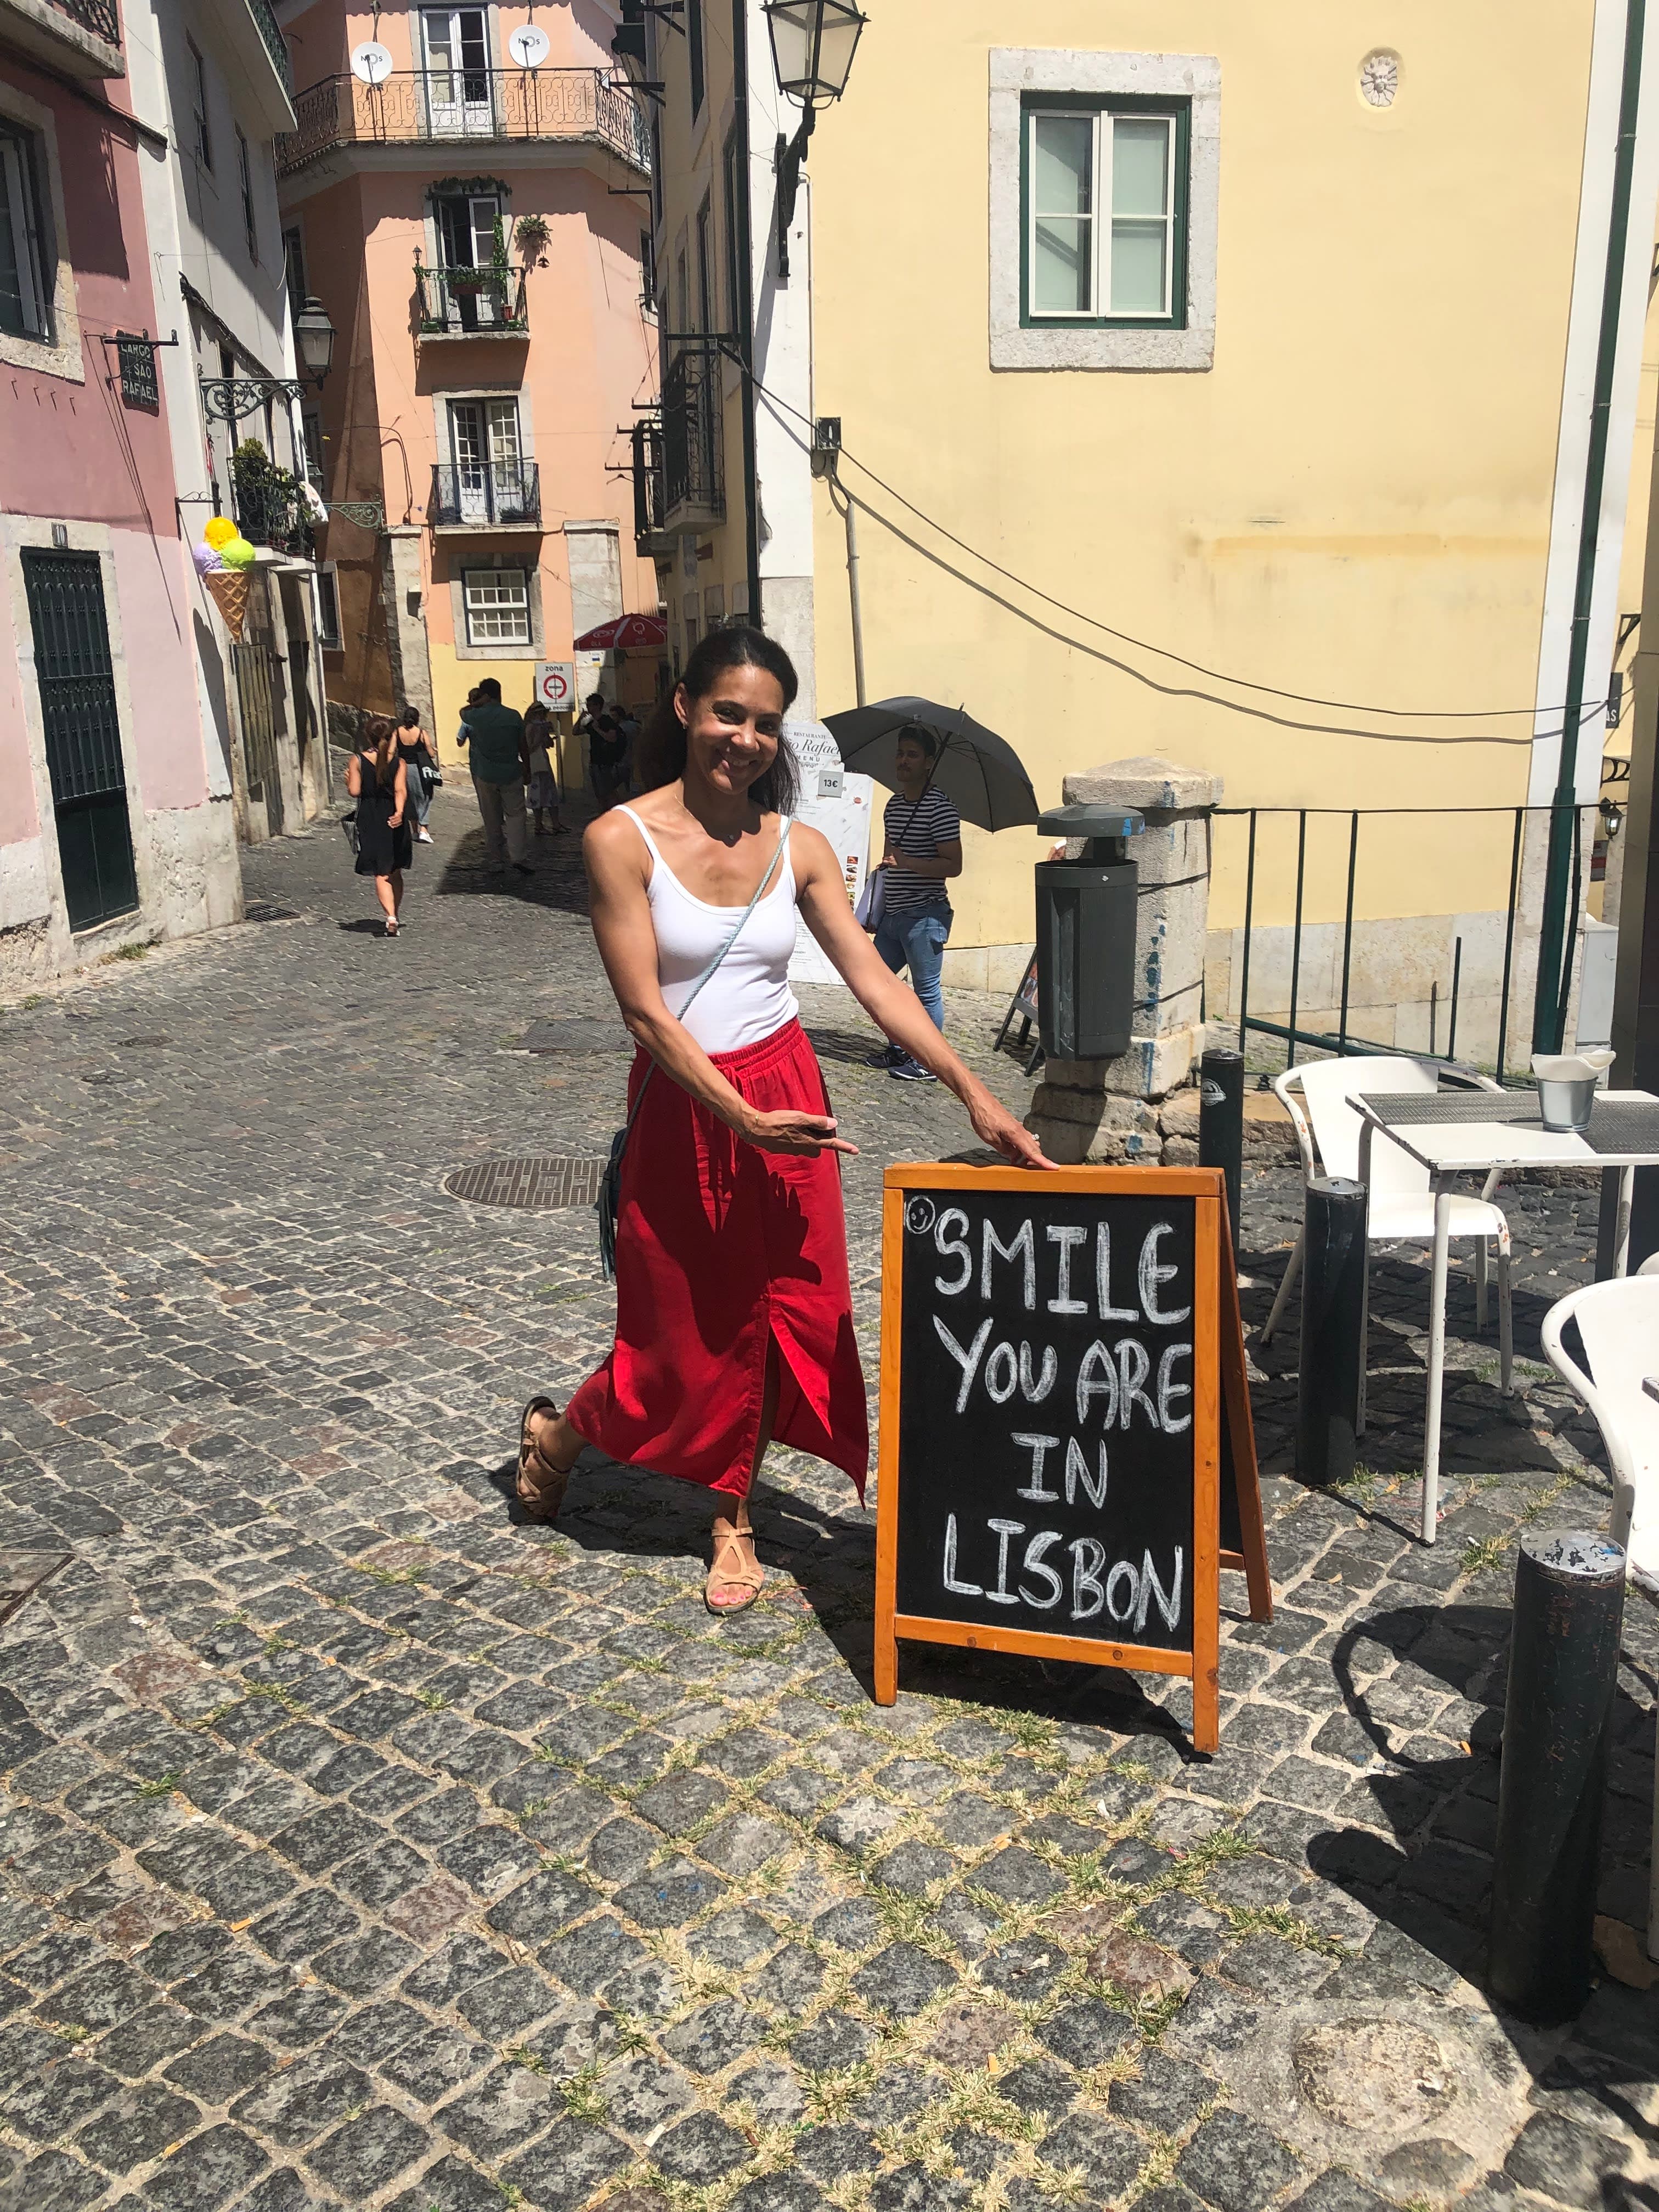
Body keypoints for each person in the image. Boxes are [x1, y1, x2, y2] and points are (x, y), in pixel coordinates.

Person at [512, 628, 1049, 1613]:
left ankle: (732, 1518)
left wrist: (974, 1095)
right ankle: (556, 1440)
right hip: (685, 1103)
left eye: (765, 724)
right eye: (729, 714)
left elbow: (876, 981)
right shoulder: (619, 840)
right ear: (685, 707)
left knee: (786, 1308)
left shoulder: (798, 848)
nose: (746, 739)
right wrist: (738, 1117)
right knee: (675, 1333)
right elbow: (644, 1014)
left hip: (787, 1089)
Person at [867, 724, 962, 1085]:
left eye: (912, 755)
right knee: (876, 982)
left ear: (929, 763)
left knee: (926, 991)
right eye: (900, 753)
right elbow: (890, 856)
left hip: (925, 915)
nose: (903, 761)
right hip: (893, 915)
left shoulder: (940, 808)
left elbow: (953, 865)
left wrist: (907, 862)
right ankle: (900, 1047)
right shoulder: (894, 805)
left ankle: (929, 1062)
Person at [345, 713, 413, 936]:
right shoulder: (399, 763)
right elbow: (400, 790)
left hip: (370, 818)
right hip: (393, 816)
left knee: (380, 872)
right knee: (395, 870)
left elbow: (355, 791)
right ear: (392, 737)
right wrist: (400, 813)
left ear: (368, 737)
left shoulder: (358, 760)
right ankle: (395, 915)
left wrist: (348, 780)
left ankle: (390, 917)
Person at [458, 677, 533, 876]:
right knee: (516, 816)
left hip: (485, 774)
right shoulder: (513, 716)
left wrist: (477, 703)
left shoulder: (476, 716)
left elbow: (462, 712)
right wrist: (528, 769)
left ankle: (497, 859)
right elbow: (523, 746)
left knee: (491, 818)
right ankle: (518, 856)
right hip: (512, 772)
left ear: (485, 695)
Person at [579, 690, 628, 810]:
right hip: (595, 762)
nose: (588, 707)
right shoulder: (591, 723)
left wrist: (598, 730)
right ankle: (603, 813)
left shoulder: (607, 721)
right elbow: (576, 732)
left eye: (590, 705)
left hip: (605, 763)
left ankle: (616, 813)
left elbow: (612, 738)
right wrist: (580, 718)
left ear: (598, 706)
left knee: (609, 792)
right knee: (599, 793)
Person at [395, 706, 436, 845]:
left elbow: (391, 751)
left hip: (402, 768)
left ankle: (414, 831)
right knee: (425, 796)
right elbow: (431, 754)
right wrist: (432, 750)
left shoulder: (397, 732)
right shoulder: (421, 733)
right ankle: (424, 830)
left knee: (410, 799)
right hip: (418, 769)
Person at [524, 699, 565, 836]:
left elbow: (548, 745)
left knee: (551, 793)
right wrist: (540, 736)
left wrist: (548, 736)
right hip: (535, 763)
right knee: (537, 794)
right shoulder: (530, 727)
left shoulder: (541, 726)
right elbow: (529, 748)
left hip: (544, 761)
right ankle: (538, 825)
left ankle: (556, 824)